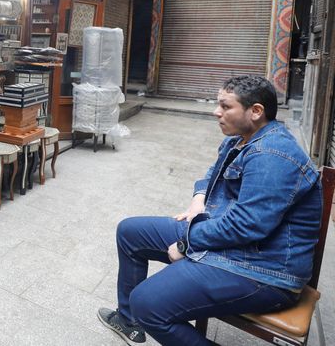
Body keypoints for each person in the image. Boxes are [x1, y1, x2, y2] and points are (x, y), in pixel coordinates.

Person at [98, 75, 322, 346]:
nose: (217, 112)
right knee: (130, 232)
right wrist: (199, 197)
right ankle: (128, 321)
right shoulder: (240, 138)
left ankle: (141, 314)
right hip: (230, 239)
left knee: (147, 303)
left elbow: (246, 225)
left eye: (226, 106)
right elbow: (212, 174)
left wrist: (185, 243)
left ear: (256, 111)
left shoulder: (273, 154)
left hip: (263, 270)